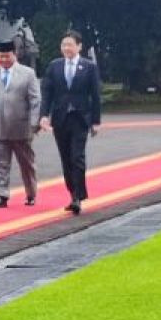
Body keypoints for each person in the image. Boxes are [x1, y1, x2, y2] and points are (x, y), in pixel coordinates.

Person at [39, 30, 102, 215]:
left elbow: (95, 96)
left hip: (80, 118)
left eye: (70, 44)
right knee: (66, 158)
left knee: (77, 157)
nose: (66, 48)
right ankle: (72, 193)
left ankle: (78, 197)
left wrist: (96, 121)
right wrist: (44, 115)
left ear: (79, 46)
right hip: (60, 118)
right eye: (64, 45)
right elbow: (47, 94)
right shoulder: (54, 66)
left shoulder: (89, 67)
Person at [0, 40, 40, 208]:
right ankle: (1, 194)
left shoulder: (28, 74)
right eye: (1, 56)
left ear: (15, 54)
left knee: (26, 164)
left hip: (21, 127)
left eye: (7, 56)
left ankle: (31, 192)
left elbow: (35, 100)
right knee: (0, 163)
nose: (3, 59)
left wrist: (35, 122)